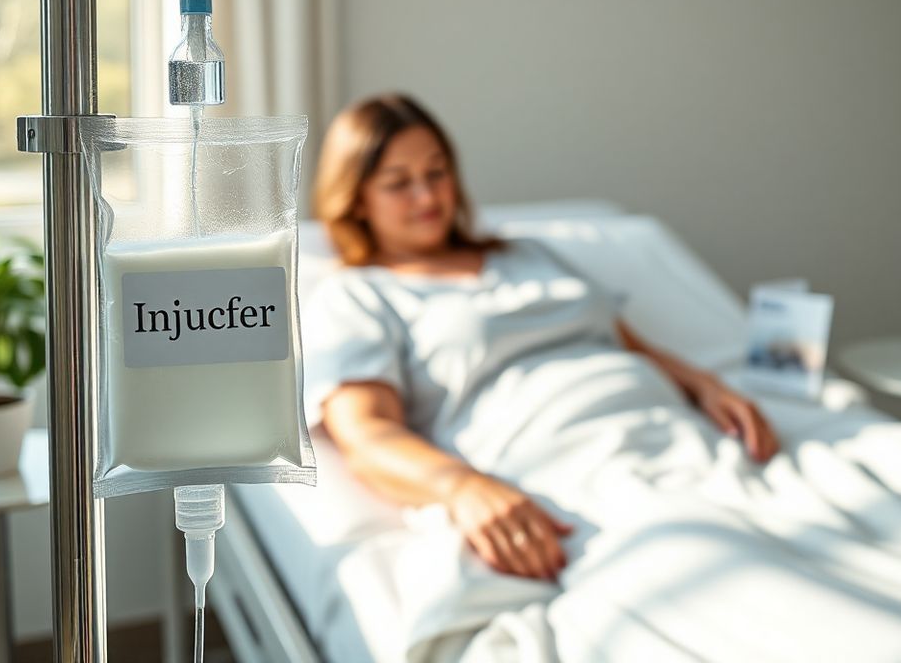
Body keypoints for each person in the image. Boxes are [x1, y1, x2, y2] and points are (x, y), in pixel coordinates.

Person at [305, 93, 779, 584]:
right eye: (399, 183)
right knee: (710, 569)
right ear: (358, 199)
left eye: (437, 172)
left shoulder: (526, 254)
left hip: (676, 438)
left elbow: (626, 344)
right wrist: (461, 487)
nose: (427, 196)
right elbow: (367, 435)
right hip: (562, 467)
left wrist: (704, 385)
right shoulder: (359, 295)